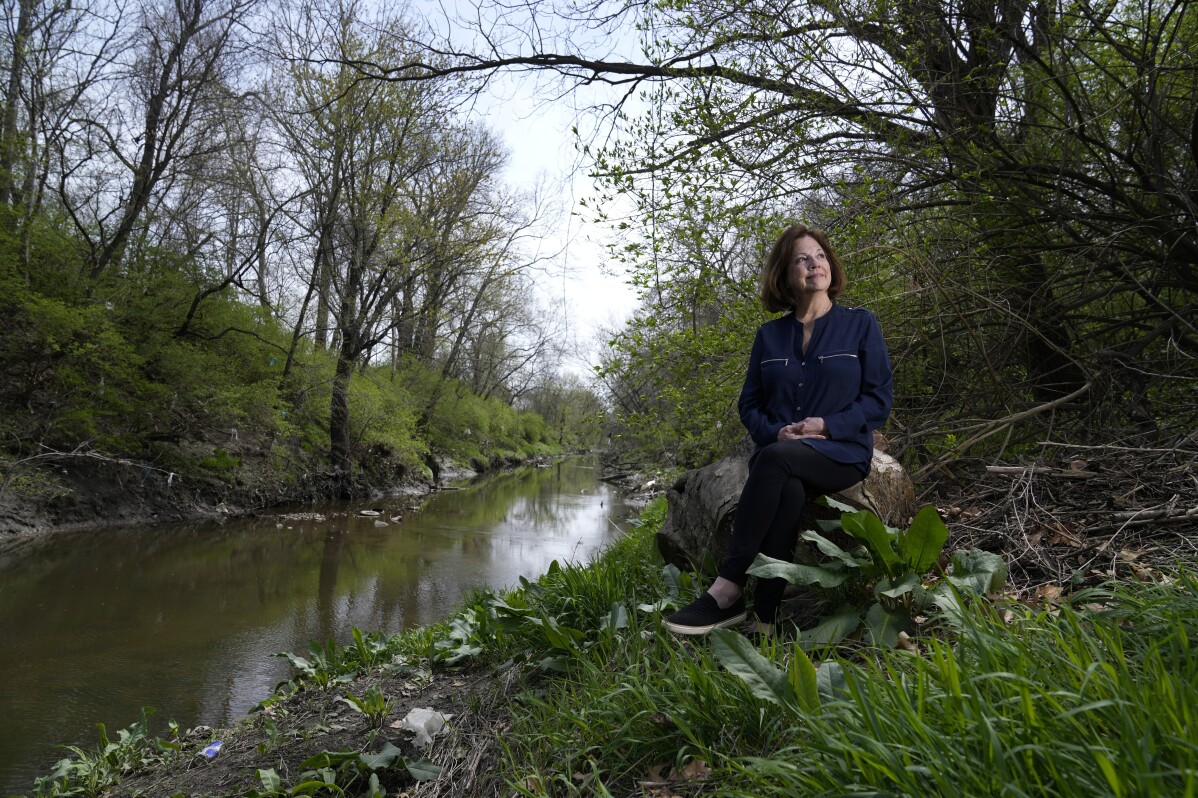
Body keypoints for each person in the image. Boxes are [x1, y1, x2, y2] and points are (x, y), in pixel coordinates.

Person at [664, 223, 893, 637]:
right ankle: (766, 619)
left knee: (773, 461)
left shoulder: (861, 324)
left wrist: (827, 424)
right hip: (783, 456)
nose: (814, 265)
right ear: (785, 275)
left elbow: (878, 401)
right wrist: (776, 433)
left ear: (831, 265)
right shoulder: (769, 337)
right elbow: (749, 406)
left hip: (840, 454)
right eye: (802, 260)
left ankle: (727, 588)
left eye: (820, 256)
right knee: (784, 483)